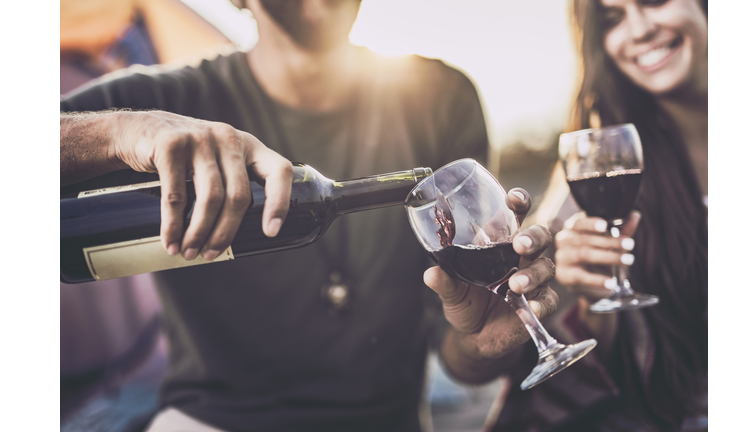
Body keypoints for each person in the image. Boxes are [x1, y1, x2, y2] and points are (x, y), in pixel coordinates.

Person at [60, 1, 560, 431]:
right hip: (210, 420)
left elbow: (458, 350)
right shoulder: (163, 104)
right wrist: (119, 134)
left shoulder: (440, 99)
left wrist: (481, 343)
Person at [488, 0, 707, 431]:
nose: (639, 29)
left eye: (654, 1)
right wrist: (591, 304)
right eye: (613, 18)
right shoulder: (597, 179)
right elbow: (568, 385)